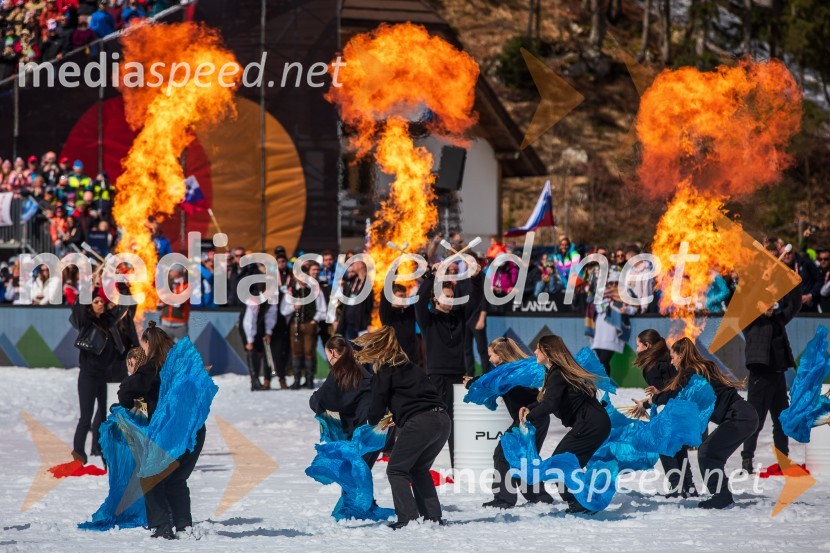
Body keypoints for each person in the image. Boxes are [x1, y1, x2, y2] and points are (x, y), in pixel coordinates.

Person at [357, 326, 451, 529]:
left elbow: (377, 405)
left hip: (421, 423)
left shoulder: (385, 370)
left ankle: (407, 519)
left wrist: (372, 423)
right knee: (419, 468)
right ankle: (432, 517)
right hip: (442, 421)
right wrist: (398, 416)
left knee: (397, 470)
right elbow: (417, 397)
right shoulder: (412, 367)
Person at [120, 322, 207, 539]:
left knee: (150, 476)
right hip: (194, 431)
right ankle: (183, 525)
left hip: (171, 433)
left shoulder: (152, 368)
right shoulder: (181, 364)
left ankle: (161, 525)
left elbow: (125, 396)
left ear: (149, 343)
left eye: (144, 344)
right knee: (175, 480)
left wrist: (133, 375)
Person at [650, 338, 758, 509]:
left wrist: (652, 400)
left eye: (673, 357)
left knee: (708, 452)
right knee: (711, 452)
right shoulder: (700, 369)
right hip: (744, 415)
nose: (671, 362)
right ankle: (721, 494)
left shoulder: (692, 373)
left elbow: (677, 395)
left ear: (681, 355)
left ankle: (722, 496)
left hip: (740, 417)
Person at [519, 334, 611, 514]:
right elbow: (549, 400)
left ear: (547, 351)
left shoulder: (558, 373)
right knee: (566, 464)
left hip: (591, 425)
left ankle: (581, 504)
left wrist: (529, 417)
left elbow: (550, 404)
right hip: (594, 424)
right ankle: (583, 502)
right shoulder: (556, 372)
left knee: (561, 463)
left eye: (539, 348)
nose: (535, 351)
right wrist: (529, 408)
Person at [464, 337, 554, 509]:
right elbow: (492, 379)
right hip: (534, 418)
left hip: (530, 418)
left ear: (501, 355)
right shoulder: (512, 371)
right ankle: (539, 496)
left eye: (491, 355)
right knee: (523, 457)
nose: (489, 359)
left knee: (503, 454)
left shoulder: (509, 372)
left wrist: (472, 383)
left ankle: (504, 499)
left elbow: (492, 381)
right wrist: (475, 380)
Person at [415, 264, 483, 467]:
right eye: (446, 297)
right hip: (436, 375)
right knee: (435, 420)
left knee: (455, 422)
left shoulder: (459, 317)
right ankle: (423, 464)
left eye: (452, 297)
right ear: (435, 298)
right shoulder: (428, 320)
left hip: (458, 375)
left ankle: (457, 465)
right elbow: (419, 302)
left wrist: (478, 278)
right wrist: (431, 276)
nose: (450, 301)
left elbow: (476, 300)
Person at [741, 286, 801, 474]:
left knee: (781, 420)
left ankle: (783, 459)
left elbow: (795, 305)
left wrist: (794, 284)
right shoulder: (750, 322)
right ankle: (747, 459)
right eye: (764, 303)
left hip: (778, 376)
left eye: (771, 303)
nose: (769, 307)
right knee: (755, 421)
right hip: (760, 376)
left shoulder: (778, 320)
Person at [632, 329, 697, 497]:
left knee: (665, 446)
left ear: (647, 346)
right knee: (677, 448)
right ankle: (688, 487)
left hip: (669, 410)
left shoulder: (656, 365)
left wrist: (656, 395)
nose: (636, 349)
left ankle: (677, 487)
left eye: (638, 345)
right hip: (677, 408)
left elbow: (674, 388)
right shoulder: (662, 359)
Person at [68, 294, 132, 464]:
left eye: (101, 302)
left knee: (105, 418)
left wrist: (122, 293)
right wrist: (87, 288)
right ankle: (79, 455)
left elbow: (123, 308)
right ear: (89, 306)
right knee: (85, 418)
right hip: (88, 377)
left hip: (105, 376)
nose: (100, 304)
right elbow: (77, 310)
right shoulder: (85, 322)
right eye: (96, 302)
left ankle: (106, 456)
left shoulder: (108, 321)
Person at [310, 335, 373, 441]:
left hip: (353, 431)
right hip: (372, 428)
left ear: (333, 352)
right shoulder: (361, 369)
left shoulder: (338, 371)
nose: (328, 360)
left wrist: (314, 401)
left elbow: (322, 398)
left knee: (325, 409)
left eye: (327, 355)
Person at [281, 261, 327, 389]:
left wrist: (315, 321)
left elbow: (322, 309)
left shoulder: (315, 290)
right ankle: (297, 380)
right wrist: (293, 307)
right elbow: (283, 310)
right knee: (296, 352)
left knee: (309, 351)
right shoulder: (290, 292)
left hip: (309, 324)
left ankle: (309, 379)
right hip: (295, 325)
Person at [589, 270, 636, 376]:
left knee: (603, 360)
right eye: (611, 283)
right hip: (599, 332)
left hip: (612, 332)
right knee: (602, 362)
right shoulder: (602, 295)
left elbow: (634, 309)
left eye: (616, 283)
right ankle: (605, 384)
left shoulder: (625, 295)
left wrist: (626, 310)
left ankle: (605, 384)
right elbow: (598, 308)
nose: (613, 285)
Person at [379, 283, 419, 365]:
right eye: (401, 296)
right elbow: (384, 294)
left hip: (412, 362)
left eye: (405, 296)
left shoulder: (409, 313)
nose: (404, 298)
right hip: (394, 362)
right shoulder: (387, 314)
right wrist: (392, 274)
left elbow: (421, 298)